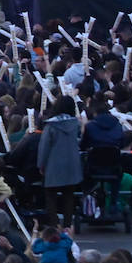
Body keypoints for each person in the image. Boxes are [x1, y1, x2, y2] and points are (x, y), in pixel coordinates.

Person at [38, 96, 82, 227]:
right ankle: (67, 226)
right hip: (72, 164)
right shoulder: (76, 124)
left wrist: (41, 164)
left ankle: (54, 224)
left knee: (51, 196)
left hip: (54, 164)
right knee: (68, 197)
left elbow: (44, 146)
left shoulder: (51, 125)